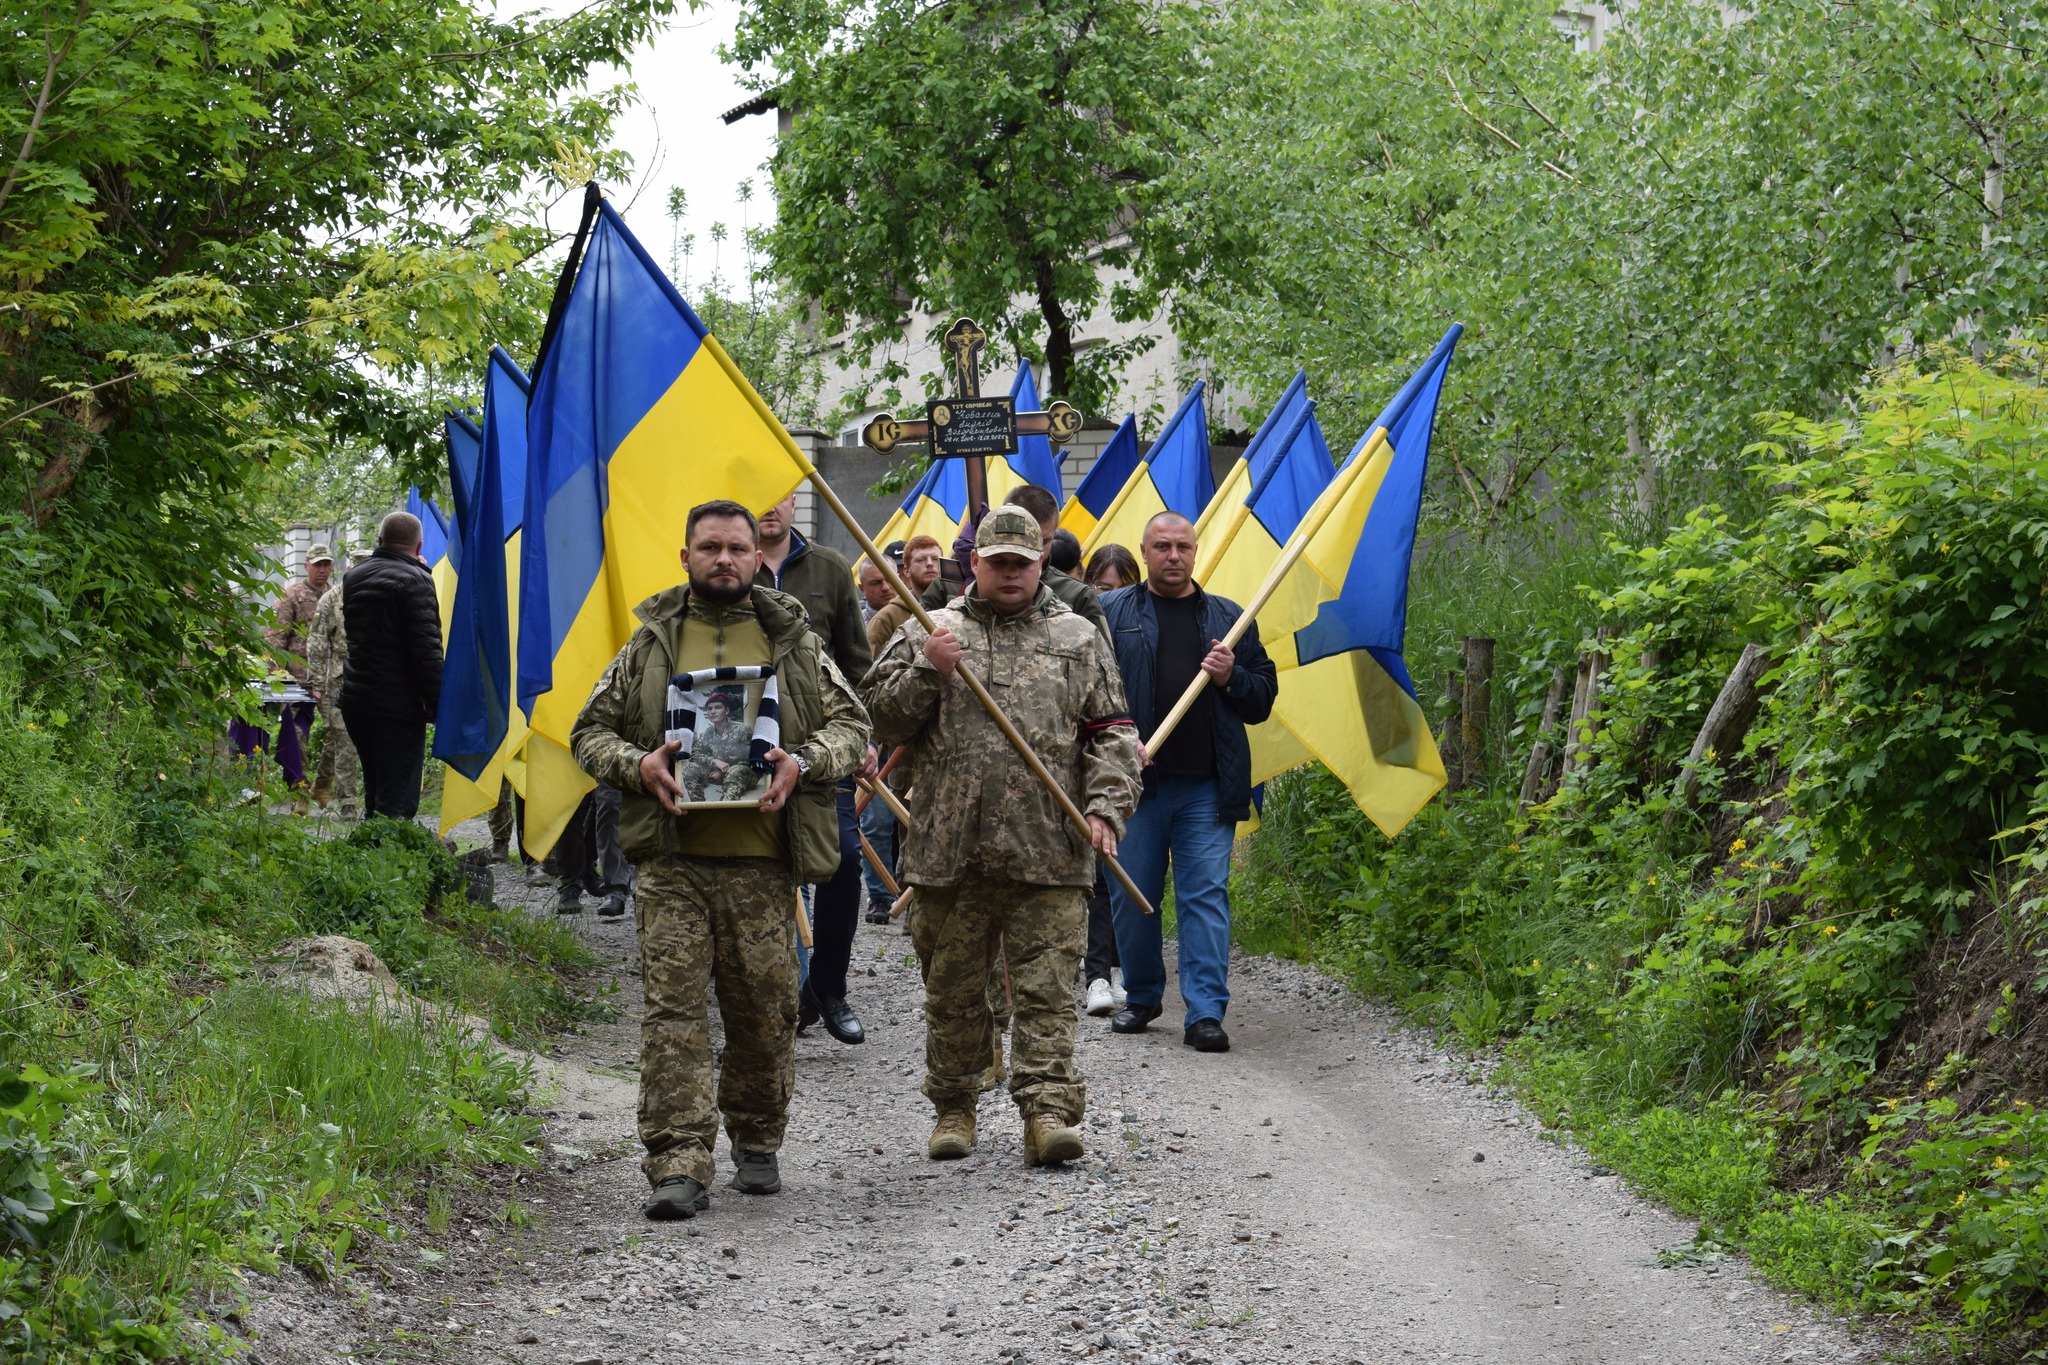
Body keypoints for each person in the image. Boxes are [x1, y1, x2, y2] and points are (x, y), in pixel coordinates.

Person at [571, 499, 870, 1220]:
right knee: (672, 1015)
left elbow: (853, 725)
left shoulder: (791, 641)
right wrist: (638, 765)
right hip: (672, 863)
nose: (725, 559)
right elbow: (588, 732)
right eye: (710, 547)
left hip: (765, 865)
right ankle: (677, 1160)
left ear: (757, 556)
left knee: (765, 1012)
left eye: (738, 547)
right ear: (686, 556)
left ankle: (758, 1141)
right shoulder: (649, 643)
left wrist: (806, 761)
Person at [863, 507, 1141, 1167]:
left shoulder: (1078, 635)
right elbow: (878, 718)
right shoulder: (931, 629)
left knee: (1047, 990)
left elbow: (1112, 732)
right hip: (948, 850)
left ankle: (1046, 1112)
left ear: (1040, 562)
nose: (1010, 573)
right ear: (976, 564)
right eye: (999, 562)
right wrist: (929, 668)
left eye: (1022, 562)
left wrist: (1106, 808)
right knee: (953, 991)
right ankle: (955, 1106)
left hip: (1049, 848)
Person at [1099, 512, 1278, 1053]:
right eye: (1161, 547)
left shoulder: (1230, 619)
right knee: (1134, 897)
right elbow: (1086, 692)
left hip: (1207, 785)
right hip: (1134, 787)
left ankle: (1204, 1012)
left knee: (1205, 897)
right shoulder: (1110, 614)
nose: (1173, 556)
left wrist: (1231, 677)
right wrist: (1114, 739)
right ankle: (1145, 994)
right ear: (1145, 551)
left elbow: (1262, 698)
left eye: (1182, 546)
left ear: (1196, 551)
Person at [754, 494, 876, 1046]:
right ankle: (771, 991)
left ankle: (828, 986)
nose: (766, 508)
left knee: (843, 861)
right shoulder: (728, 565)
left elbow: (856, 660)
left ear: (794, 498)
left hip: (823, 749)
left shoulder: (828, 567)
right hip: (744, 750)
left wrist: (865, 732)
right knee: (761, 868)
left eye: (776, 496)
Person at [339, 513, 443, 820]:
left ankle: (366, 862)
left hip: (356, 700)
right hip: (397, 706)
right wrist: (441, 707)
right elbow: (426, 652)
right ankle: (387, 863)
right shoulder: (416, 580)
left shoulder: (353, 577)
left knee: (375, 793)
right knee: (396, 802)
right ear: (419, 544)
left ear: (380, 541)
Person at [920, 485, 1108, 640]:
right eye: (997, 562)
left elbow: (1102, 668)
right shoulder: (950, 582)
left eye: (1043, 541)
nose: (1035, 548)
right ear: (975, 561)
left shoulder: (1076, 595)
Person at [1080, 544, 1139, 1015]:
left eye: (1120, 588)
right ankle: (1097, 974)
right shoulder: (1082, 631)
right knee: (1101, 878)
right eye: (1101, 588)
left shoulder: (1144, 630)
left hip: (1139, 764)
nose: (1110, 597)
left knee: (1130, 877)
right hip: (1094, 768)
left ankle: (1127, 972)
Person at [263, 545, 333, 804]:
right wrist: (278, 676)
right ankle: (298, 784)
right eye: (317, 565)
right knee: (297, 732)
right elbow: (274, 638)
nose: (322, 570)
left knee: (335, 733)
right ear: (307, 566)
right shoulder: (292, 595)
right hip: (296, 679)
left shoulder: (335, 596)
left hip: (328, 678)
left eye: (326, 564)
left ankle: (323, 786)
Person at [305, 555, 361, 818]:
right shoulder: (333, 598)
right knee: (343, 738)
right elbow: (317, 642)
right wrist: (316, 682)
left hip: (381, 676)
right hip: (341, 677)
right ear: (349, 570)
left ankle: (377, 798)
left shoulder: (385, 593)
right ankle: (348, 801)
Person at [866, 534, 943, 659]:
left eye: (935, 559)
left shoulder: (957, 610)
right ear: (906, 571)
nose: (929, 564)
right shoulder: (886, 620)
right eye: (921, 560)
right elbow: (873, 674)